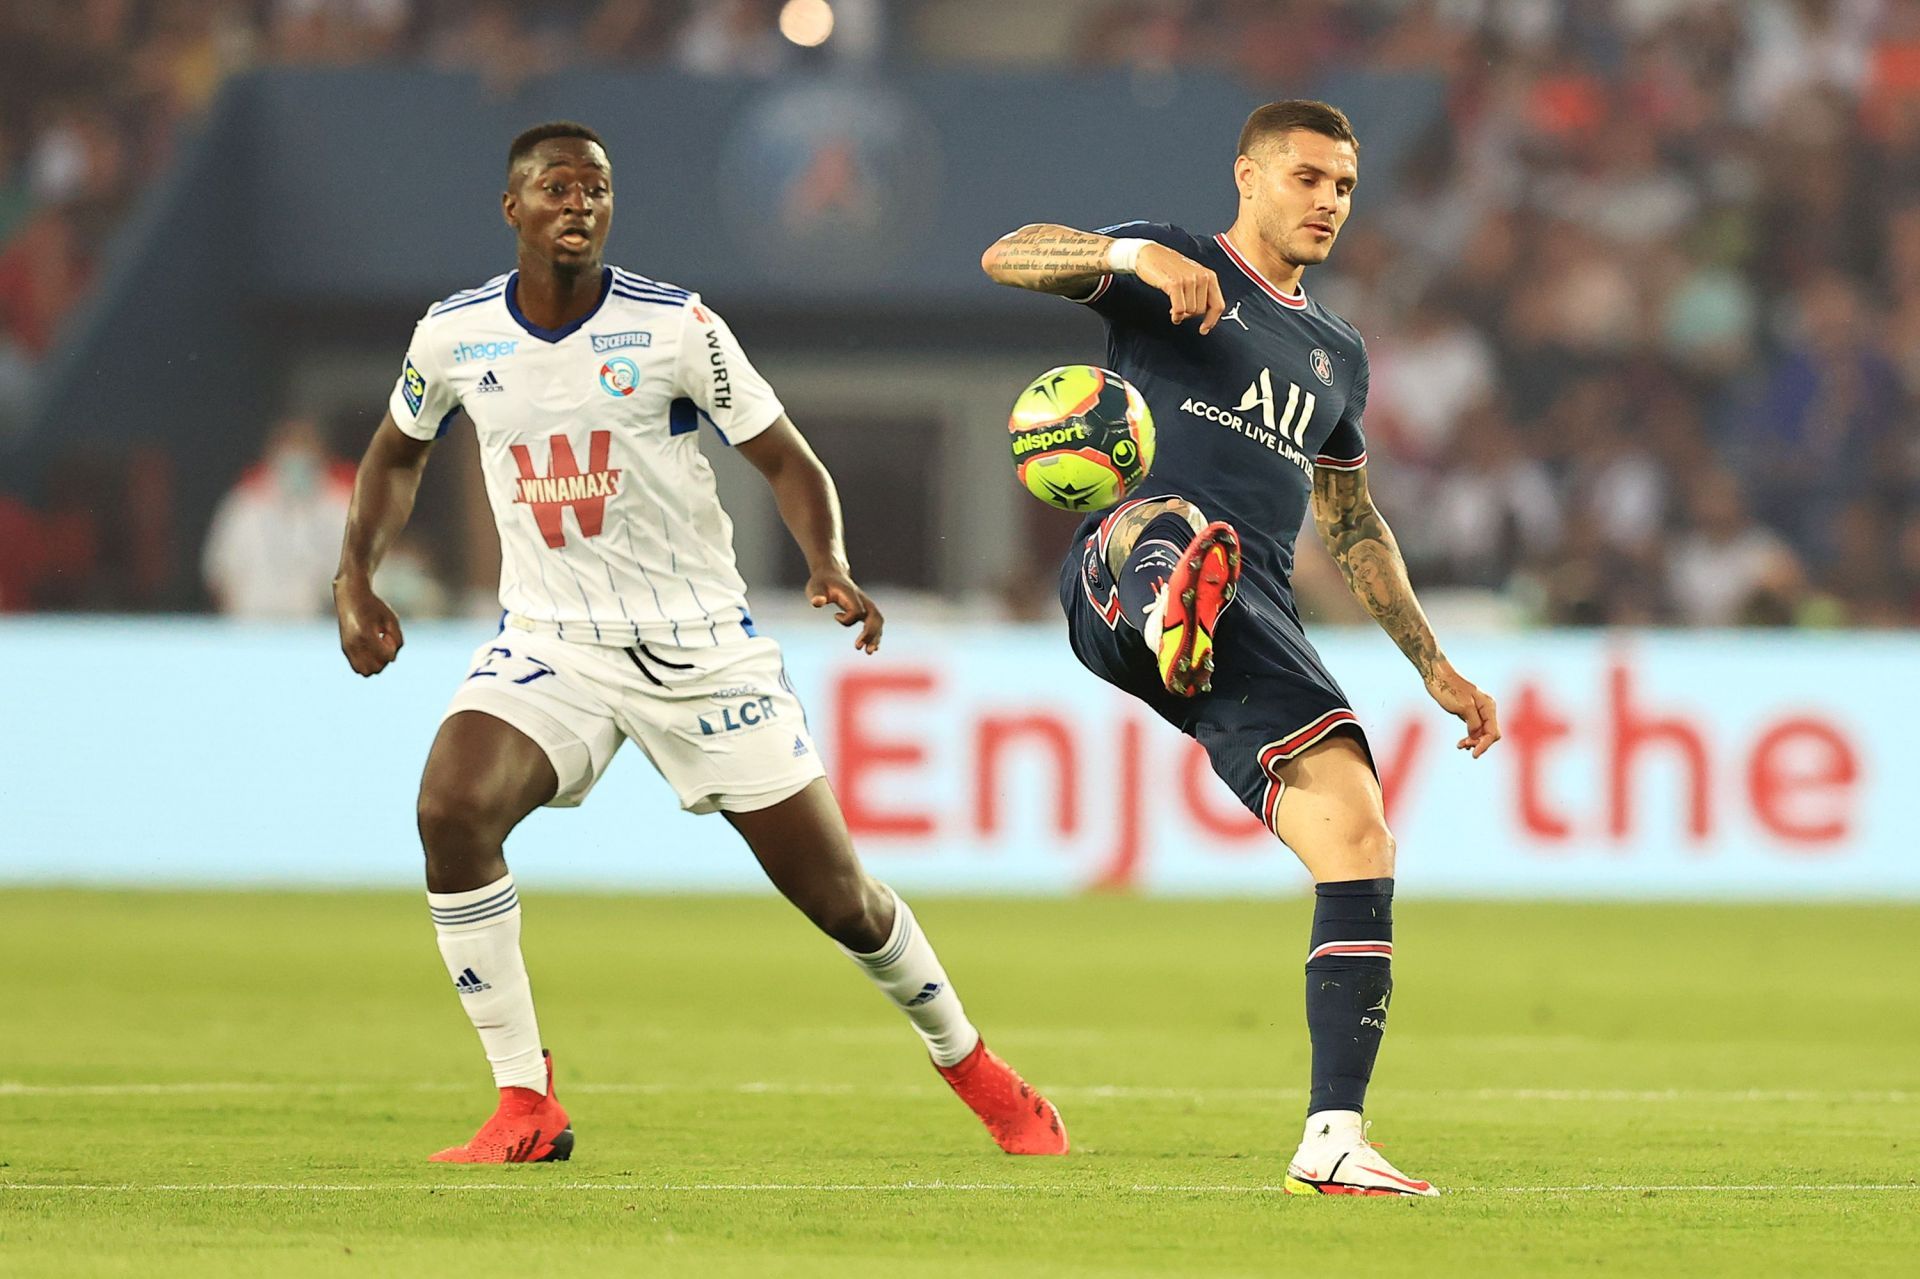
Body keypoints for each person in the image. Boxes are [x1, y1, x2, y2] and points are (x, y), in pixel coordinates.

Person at [333, 121, 1065, 1164]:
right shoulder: (453, 337)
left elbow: (788, 459)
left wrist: (829, 559)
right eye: (555, 186)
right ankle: (524, 1100)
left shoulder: (672, 327)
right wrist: (353, 574)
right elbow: (394, 457)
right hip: (554, 642)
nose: (578, 202)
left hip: (700, 645)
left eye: (596, 187)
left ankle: (975, 1067)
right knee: (450, 806)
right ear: (513, 209)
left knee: (841, 900)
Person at [981, 99, 1501, 1196]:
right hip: (1121, 564)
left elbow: (1353, 524)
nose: (1328, 202)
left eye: (1345, 186)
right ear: (1250, 177)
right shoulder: (1175, 264)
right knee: (1168, 521)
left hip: (1254, 609)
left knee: (1360, 841)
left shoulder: (1337, 355)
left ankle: (1334, 1138)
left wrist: (1432, 664)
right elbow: (1007, 254)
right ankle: (1169, 604)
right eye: (1307, 177)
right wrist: (1131, 258)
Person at [205, 416, 354, 618]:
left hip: (315, 631)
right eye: (289, 450)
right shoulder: (244, 506)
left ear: (320, 455)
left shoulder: (341, 508)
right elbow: (218, 573)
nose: (296, 460)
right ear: (271, 455)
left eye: (304, 450)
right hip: (250, 626)